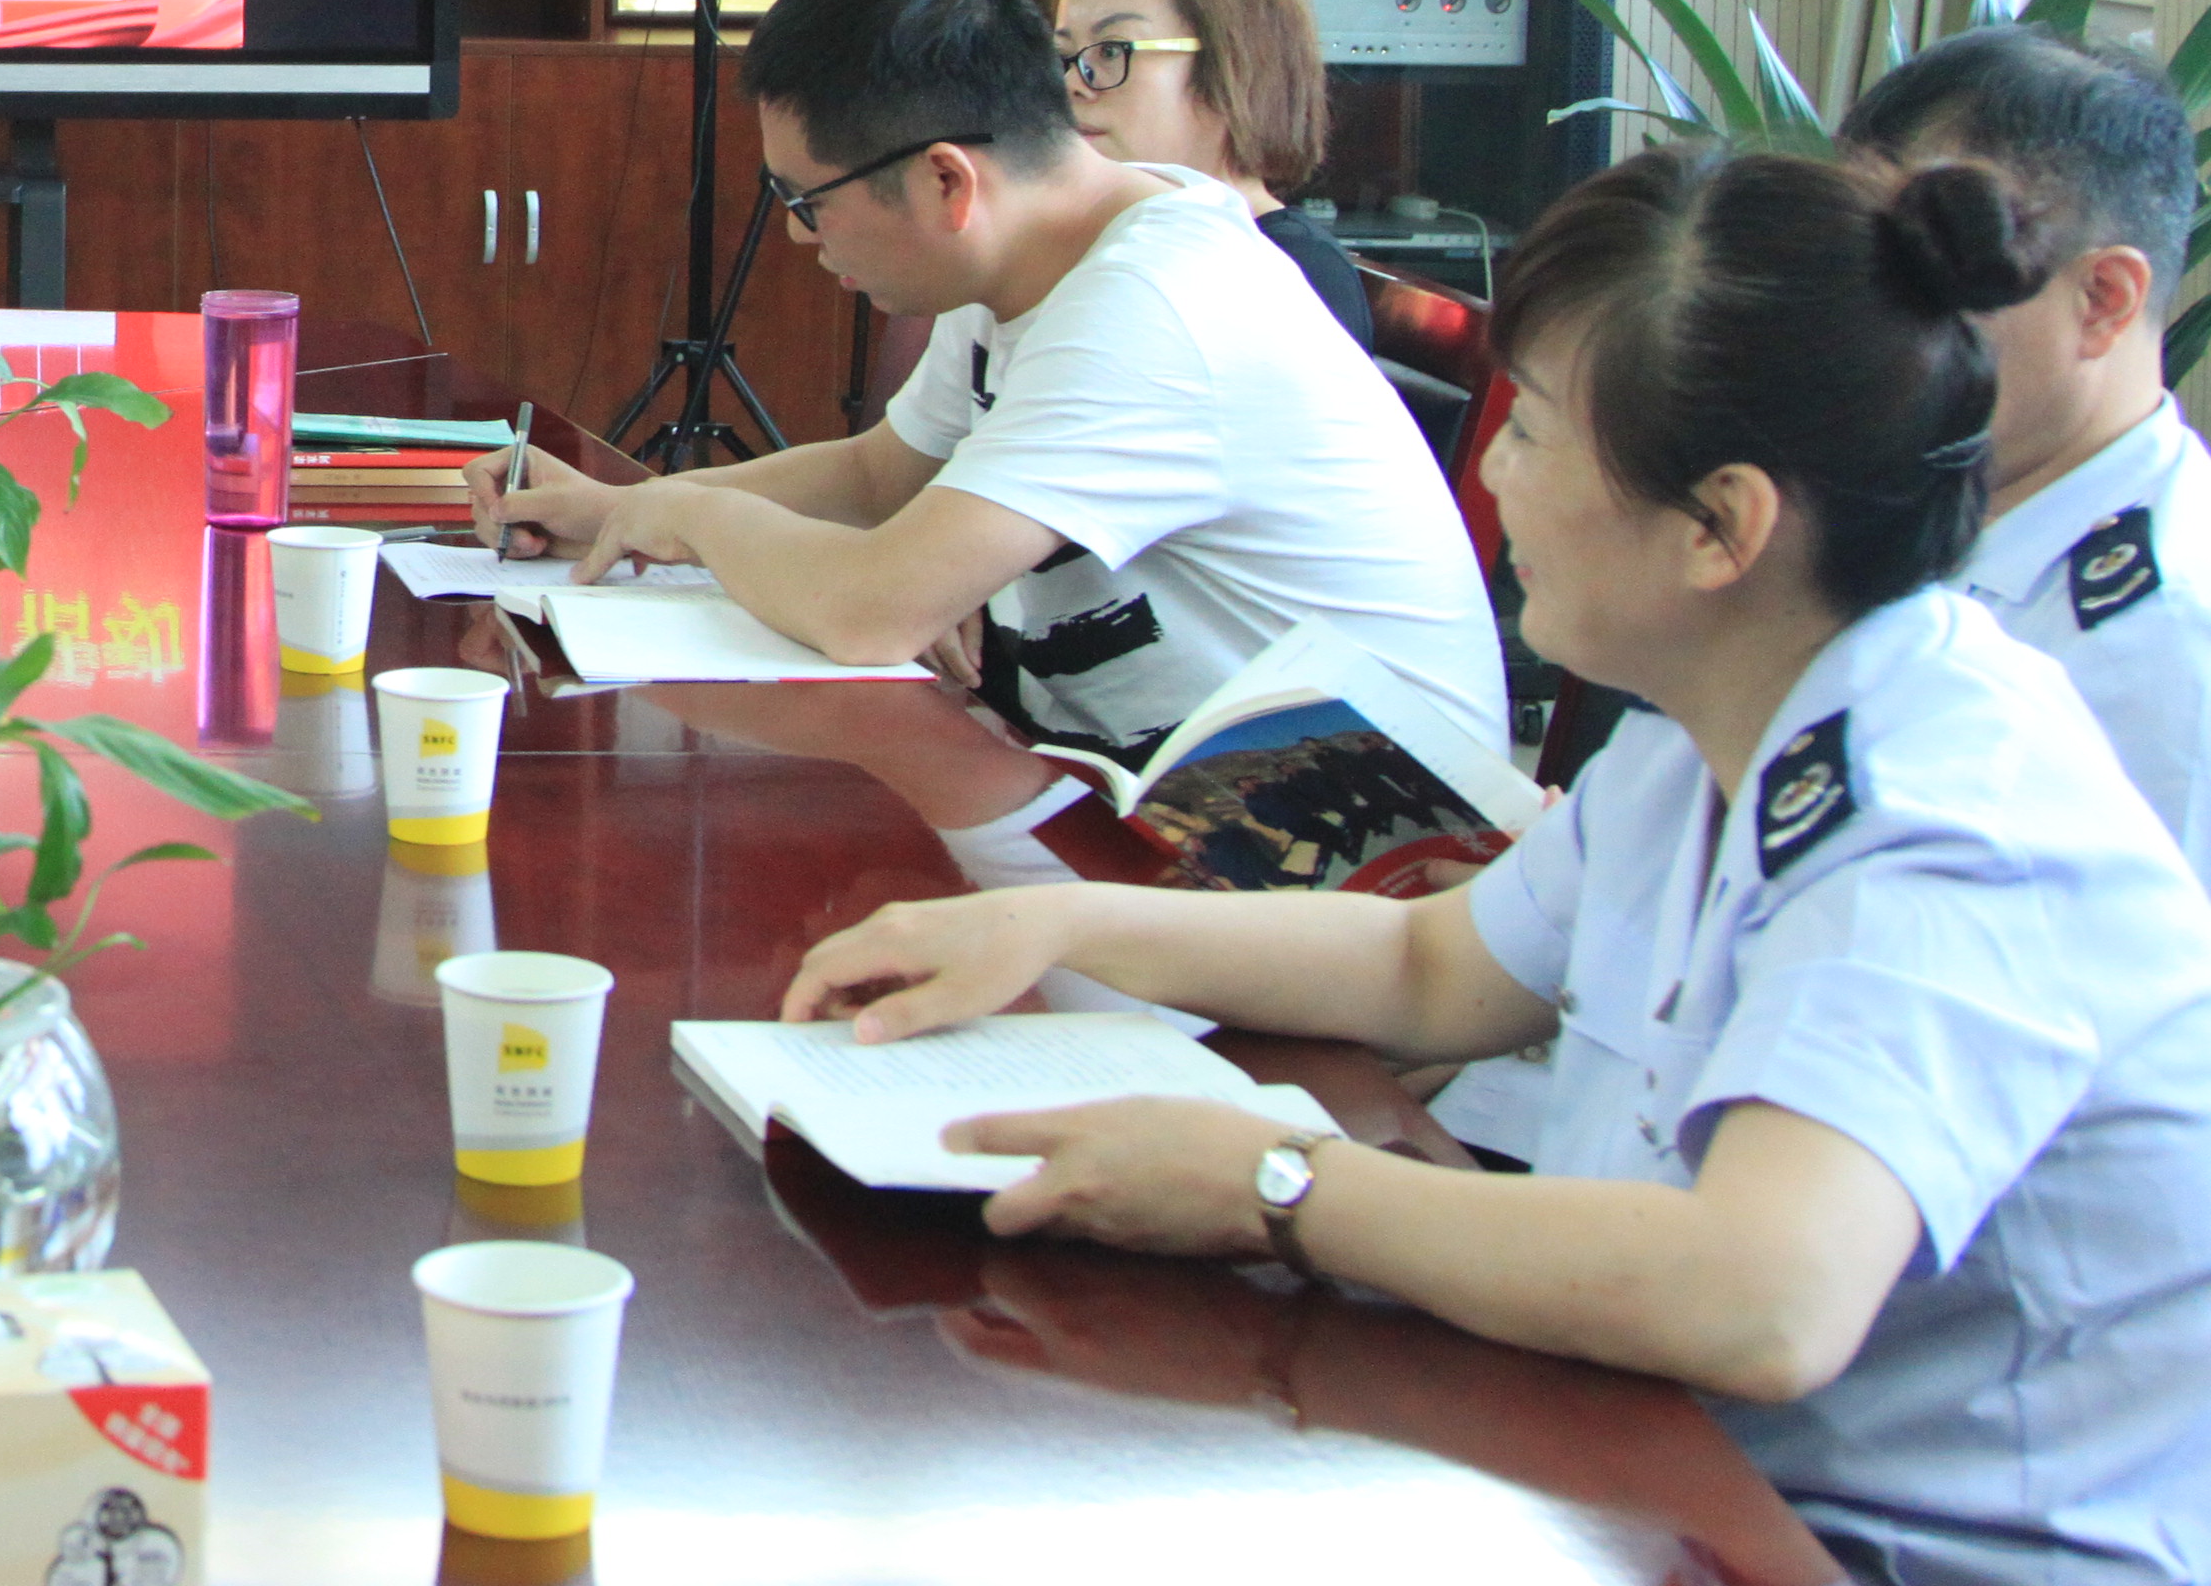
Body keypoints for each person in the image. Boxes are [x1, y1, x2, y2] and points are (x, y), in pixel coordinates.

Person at [784, 149, 2211, 1584]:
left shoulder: (1954, 807)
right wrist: (1053, 927)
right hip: (1659, 1472)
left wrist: (1277, 1186)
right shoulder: (1726, 716)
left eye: (1534, 431)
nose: (1498, 474)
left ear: (1722, 525)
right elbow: (1436, 964)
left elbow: (1763, 1300)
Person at [484, 0, 1500, 788]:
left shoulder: (1153, 303)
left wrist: (695, 516)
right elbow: (880, 476)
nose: (798, 236)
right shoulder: (1040, 250)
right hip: (1128, 797)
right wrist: (620, 508)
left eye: (806, 202)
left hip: (1341, 860)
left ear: (946, 182)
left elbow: (875, 611)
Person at [1845, 20, 2211, 864]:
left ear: (2103, 299)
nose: (1869, 322)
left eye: (1928, 271)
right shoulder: (1895, 500)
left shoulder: (2162, 647)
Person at [1055, 0, 1368, 344]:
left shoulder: (1294, 272)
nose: (1072, 83)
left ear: (1231, 67)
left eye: (1110, 51)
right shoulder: (1102, 239)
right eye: (1064, 56)